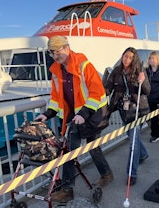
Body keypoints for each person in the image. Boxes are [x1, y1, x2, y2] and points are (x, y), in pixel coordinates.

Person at [35, 36, 113, 202]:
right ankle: (67, 190)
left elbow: (97, 92)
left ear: (67, 48)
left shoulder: (84, 65)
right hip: (74, 117)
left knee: (93, 147)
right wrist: (48, 113)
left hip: (92, 114)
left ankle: (106, 174)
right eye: (52, 53)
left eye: (58, 51)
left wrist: (84, 114)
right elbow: (56, 97)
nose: (56, 55)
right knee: (69, 152)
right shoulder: (56, 71)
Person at [104, 47, 150, 186]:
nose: (126, 59)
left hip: (138, 111)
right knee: (133, 137)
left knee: (132, 143)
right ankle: (143, 154)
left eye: (130, 57)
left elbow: (147, 91)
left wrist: (143, 80)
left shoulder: (140, 71)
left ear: (134, 59)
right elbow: (107, 89)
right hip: (124, 111)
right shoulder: (117, 71)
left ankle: (132, 173)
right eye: (125, 56)